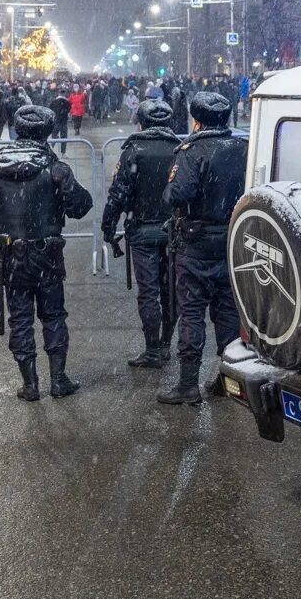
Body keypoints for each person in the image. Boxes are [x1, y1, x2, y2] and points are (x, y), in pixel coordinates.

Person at [0, 103, 93, 401]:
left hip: (11, 255)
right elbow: (81, 205)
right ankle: (58, 379)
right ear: (46, 133)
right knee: (53, 315)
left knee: (20, 318)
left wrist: (0, 199)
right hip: (47, 254)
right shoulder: (55, 169)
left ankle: (30, 383)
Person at [158, 91, 248, 405]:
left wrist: (168, 190)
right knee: (227, 312)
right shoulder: (242, 148)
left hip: (195, 244)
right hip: (231, 241)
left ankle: (187, 384)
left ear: (196, 121)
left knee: (191, 312)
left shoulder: (190, 151)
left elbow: (177, 194)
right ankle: (227, 378)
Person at [101, 99, 182, 368]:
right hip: (173, 232)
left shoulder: (133, 151)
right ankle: (166, 344)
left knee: (148, 293)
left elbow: (118, 195)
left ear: (141, 122)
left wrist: (109, 227)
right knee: (170, 290)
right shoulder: (180, 150)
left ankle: (152, 349)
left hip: (143, 232)